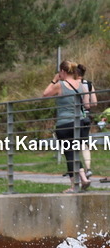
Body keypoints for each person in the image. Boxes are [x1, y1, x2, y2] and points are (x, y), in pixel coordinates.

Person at [43, 61, 90, 191]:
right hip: (79, 123)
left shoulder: (60, 85)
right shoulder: (81, 85)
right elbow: (87, 105)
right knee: (74, 152)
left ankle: (73, 186)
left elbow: (45, 94)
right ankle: (84, 178)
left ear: (63, 71)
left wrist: (54, 80)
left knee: (69, 153)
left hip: (64, 124)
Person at [75, 63, 97, 177]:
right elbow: (94, 103)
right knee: (84, 144)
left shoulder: (71, 84)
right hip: (86, 117)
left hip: (73, 116)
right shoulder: (88, 84)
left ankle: (78, 170)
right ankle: (88, 169)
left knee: (72, 144)